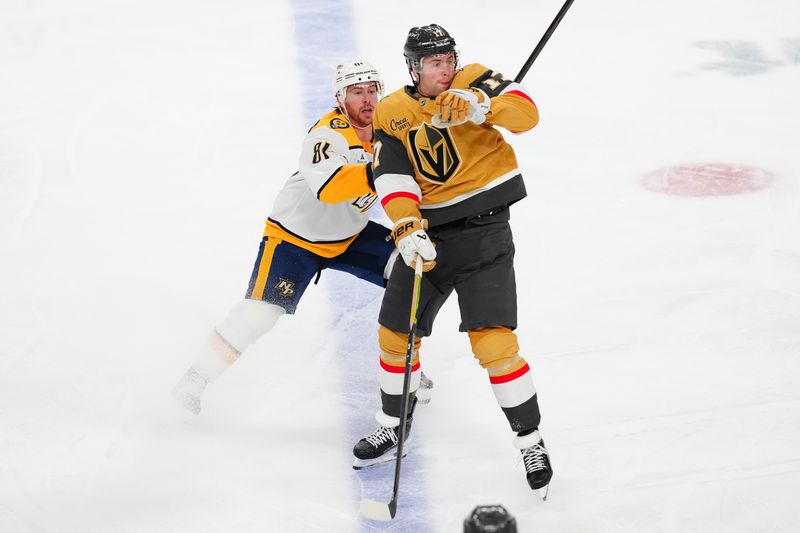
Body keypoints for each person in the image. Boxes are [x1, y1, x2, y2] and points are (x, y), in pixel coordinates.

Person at [351, 25, 553, 493]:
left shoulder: (475, 80)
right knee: (394, 335)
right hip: (428, 237)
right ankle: (394, 424)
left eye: (448, 60)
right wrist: (405, 226)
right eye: (434, 64)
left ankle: (531, 440)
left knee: (494, 344)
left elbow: (526, 114)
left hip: (485, 232)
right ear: (414, 68)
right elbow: (393, 174)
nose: (445, 70)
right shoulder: (392, 112)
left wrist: (482, 107)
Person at [172, 59, 433, 414]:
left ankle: (405, 368)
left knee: (412, 272)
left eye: (372, 90)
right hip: (295, 239)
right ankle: (194, 379)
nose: (367, 99)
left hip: (350, 236)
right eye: (357, 92)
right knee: (260, 314)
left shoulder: (387, 133)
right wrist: (380, 170)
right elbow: (329, 187)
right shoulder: (327, 135)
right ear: (341, 98)